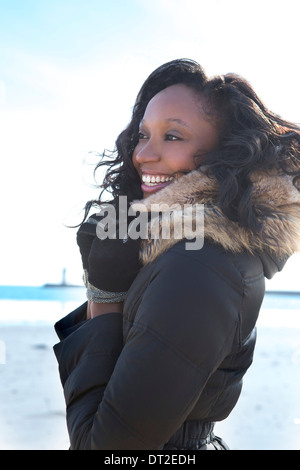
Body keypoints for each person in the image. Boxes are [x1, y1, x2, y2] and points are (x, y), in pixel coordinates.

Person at [53, 59, 300, 450]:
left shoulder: (200, 267)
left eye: (172, 137)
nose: (143, 155)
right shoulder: (176, 247)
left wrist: (103, 295)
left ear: (226, 153)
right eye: (142, 134)